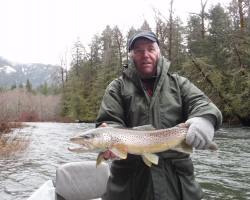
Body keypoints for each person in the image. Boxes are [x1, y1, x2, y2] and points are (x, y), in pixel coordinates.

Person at [95, 30, 222, 200]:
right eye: (138, 50)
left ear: (159, 52)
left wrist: (204, 120)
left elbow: (203, 104)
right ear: (131, 55)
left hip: (177, 186)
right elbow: (108, 122)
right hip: (130, 188)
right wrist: (107, 138)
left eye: (150, 49)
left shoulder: (179, 84)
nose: (145, 55)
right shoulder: (116, 88)